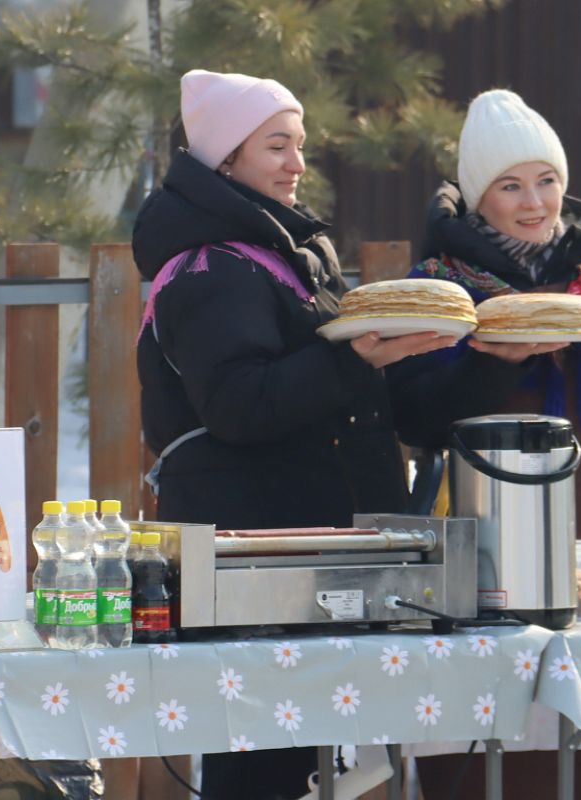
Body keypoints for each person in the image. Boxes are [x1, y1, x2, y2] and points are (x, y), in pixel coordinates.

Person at [132, 69, 455, 800]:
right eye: (277, 145)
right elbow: (241, 405)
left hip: (303, 564)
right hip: (258, 569)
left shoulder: (284, 258)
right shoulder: (209, 267)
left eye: (300, 145)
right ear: (224, 160)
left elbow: (330, 398)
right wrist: (351, 357)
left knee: (303, 763)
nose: (298, 164)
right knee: (263, 770)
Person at [387, 89, 581, 799]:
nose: (536, 202)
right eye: (511, 186)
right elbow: (414, 418)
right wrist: (494, 359)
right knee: (498, 764)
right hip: (483, 560)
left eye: (547, 181)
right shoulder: (439, 289)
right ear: (475, 197)